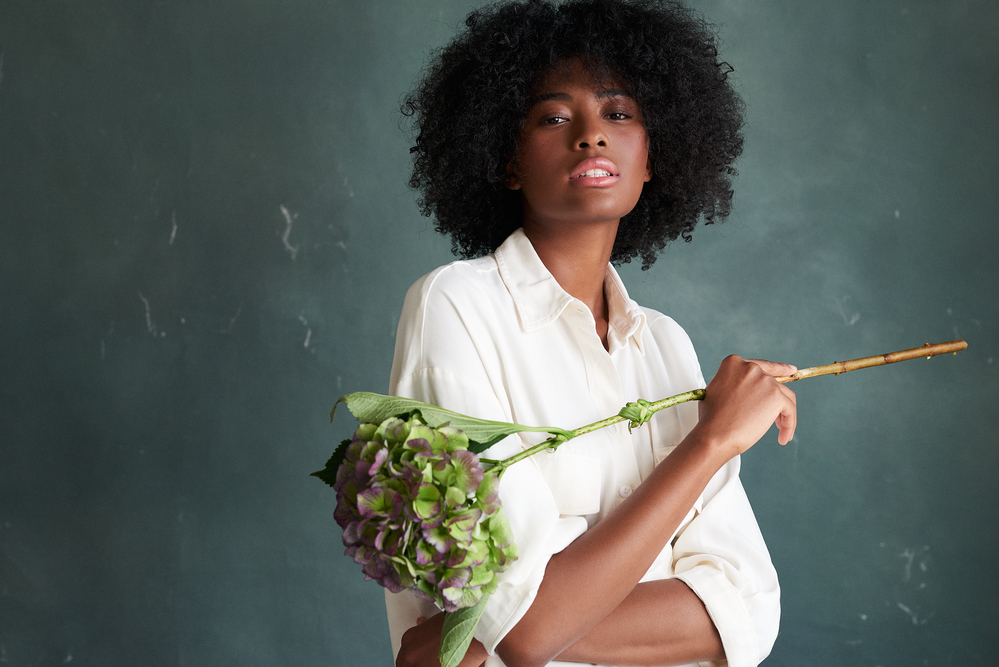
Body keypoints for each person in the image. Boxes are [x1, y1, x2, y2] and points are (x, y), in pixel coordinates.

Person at [385, 1, 797, 665]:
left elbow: (749, 608)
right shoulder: (454, 305)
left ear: (652, 155)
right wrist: (710, 441)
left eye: (619, 112)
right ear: (506, 158)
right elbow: (520, 629)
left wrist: (522, 614)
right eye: (552, 116)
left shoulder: (666, 345)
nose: (589, 134)